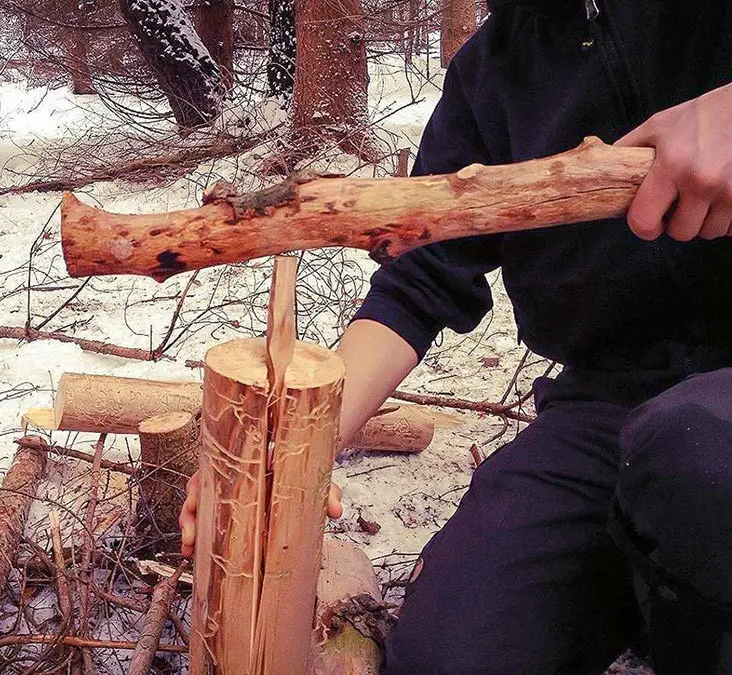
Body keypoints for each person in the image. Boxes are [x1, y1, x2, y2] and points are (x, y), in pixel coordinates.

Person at [182, 1, 732, 672]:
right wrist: (295, 442)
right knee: (452, 652)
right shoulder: (490, 73)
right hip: (605, 411)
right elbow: (420, 282)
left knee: (695, 453)